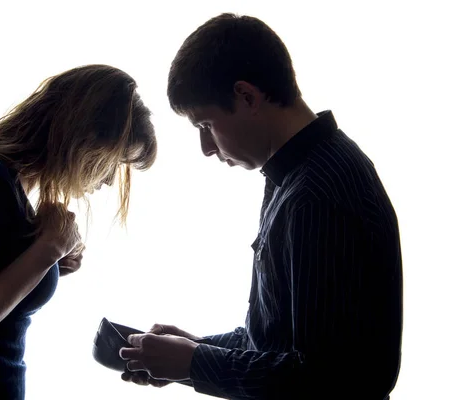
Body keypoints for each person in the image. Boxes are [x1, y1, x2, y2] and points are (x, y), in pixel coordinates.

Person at [119, 13, 402, 400]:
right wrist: (195, 350)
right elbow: (277, 343)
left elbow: (325, 380)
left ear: (248, 97)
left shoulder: (316, 196)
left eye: (205, 126)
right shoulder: (293, 176)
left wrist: (194, 362)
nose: (206, 149)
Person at [0, 64, 157, 400]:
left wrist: (49, 263)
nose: (112, 179)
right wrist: (48, 251)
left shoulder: (10, 186)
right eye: (114, 162)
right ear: (85, 136)